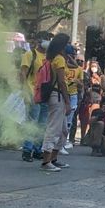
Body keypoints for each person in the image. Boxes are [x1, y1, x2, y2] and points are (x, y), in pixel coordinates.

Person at [40, 33, 71, 172]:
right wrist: (67, 101)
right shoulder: (59, 59)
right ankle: (46, 161)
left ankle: (53, 159)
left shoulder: (54, 57)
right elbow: (61, 82)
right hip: (58, 96)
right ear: (63, 45)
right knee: (54, 129)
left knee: (63, 130)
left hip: (56, 95)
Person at [20, 31, 52, 162]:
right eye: (47, 38)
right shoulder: (30, 54)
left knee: (42, 124)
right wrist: (25, 92)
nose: (49, 41)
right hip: (33, 93)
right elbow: (23, 74)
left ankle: (38, 149)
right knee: (32, 123)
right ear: (39, 40)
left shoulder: (50, 56)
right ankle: (27, 150)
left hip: (45, 94)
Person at [64, 44, 83, 150]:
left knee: (70, 119)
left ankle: (66, 140)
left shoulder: (79, 69)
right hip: (63, 94)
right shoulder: (63, 64)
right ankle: (59, 140)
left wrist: (77, 82)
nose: (74, 56)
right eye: (72, 54)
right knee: (60, 117)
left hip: (73, 95)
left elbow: (81, 85)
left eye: (74, 54)